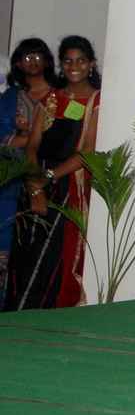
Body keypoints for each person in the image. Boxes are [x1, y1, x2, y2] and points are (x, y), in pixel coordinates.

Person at [5, 35, 100, 310]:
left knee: (54, 259)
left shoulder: (96, 101)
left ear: (91, 64)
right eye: (68, 61)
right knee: (25, 257)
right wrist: (35, 185)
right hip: (36, 180)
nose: (74, 67)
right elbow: (33, 146)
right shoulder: (51, 99)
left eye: (81, 61)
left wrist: (48, 179)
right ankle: (15, 319)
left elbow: (87, 153)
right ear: (60, 64)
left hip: (68, 186)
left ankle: (46, 320)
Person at [0, 39, 60, 308]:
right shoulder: (9, 98)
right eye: (26, 57)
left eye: (37, 56)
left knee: (41, 249)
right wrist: (31, 136)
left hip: (50, 179)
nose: (32, 61)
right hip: (10, 181)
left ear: (47, 60)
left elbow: (65, 138)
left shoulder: (59, 96)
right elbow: (3, 141)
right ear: (17, 63)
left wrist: (29, 136)